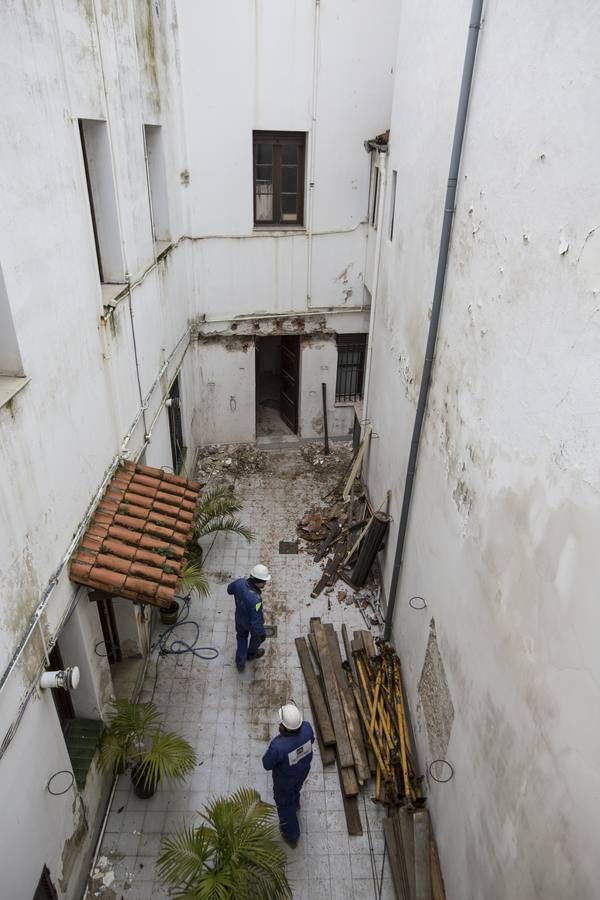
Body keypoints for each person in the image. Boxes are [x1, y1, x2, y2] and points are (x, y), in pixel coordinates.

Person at [262, 701, 315, 848]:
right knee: (296, 789)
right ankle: (296, 802)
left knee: (285, 805)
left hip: (284, 781)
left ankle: (292, 835)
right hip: (302, 772)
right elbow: (312, 741)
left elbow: (266, 764)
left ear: (284, 727)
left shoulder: (278, 746)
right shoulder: (307, 728)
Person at [227, 564, 271, 672]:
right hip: (250, 624)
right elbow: (255, 622)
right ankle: (251, 654)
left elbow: (229, 590)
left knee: (241, 637)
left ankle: (240, 661)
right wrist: (261, 634)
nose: (265, 584)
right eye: (264, 581)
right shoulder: (256, 599)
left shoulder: (239, 583)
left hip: (239, 618)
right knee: (257, 637)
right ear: (258, 581)